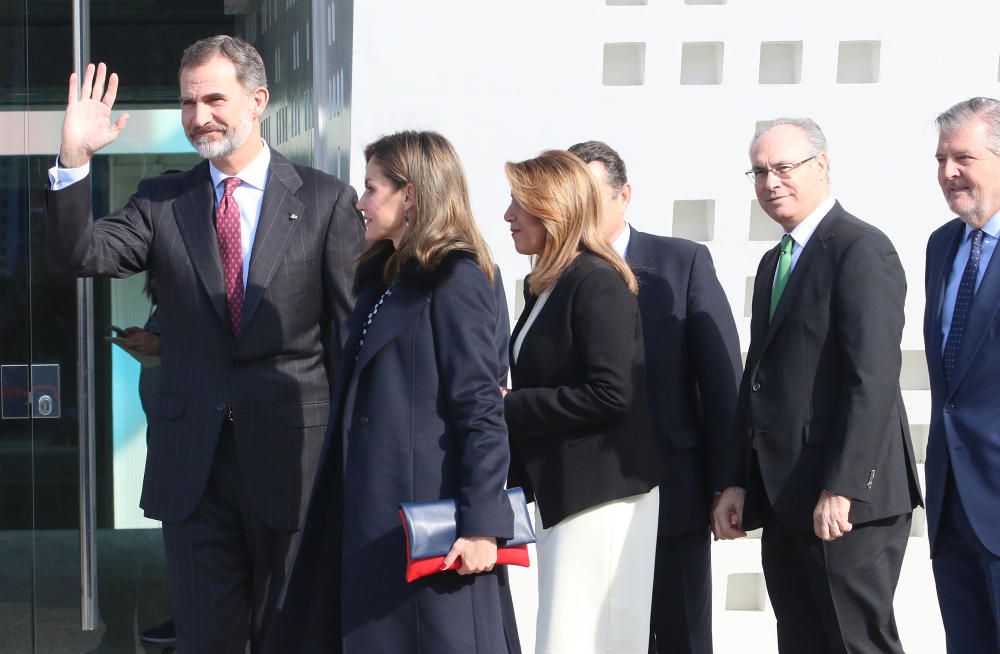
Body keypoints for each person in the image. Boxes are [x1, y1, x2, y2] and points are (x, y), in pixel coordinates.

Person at [43, 35, 365, 653]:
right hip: (194, 469)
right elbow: (79, 253)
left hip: (295, 462)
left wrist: (358, 457)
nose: (199, 117)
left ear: (258, 100)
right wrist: (74, 158)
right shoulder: (163, 201)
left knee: (295, 638)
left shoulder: (326, 201)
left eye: (214, 99)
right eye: (188, 102)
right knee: (207, 642)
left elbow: (348, 338)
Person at [275, 130, 518, 653]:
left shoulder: (456, 277)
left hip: (427, 529)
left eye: (371, 188)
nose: (359, 202)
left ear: (409, 195)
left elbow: (480, 407)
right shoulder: (382, 278)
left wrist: (482, 527)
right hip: (369, 516)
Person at [712, 118, 923, 653]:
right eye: (759, 172)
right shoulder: (773, 262)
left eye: (783, 168)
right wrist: (737, 479)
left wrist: (844, 486)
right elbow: (757, 378)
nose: (770, 182)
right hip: (786, 496)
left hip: (845, 501)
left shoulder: (861, 249)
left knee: (856, 643)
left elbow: (871, 378)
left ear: (821, 166)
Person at [568, 140, 741, 654]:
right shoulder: (556, 274)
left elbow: (720, 379)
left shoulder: (681, 261)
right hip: (587, 494)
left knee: (681, 634)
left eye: (591, 195)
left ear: (624, 195)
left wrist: (728, 481)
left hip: (674, 490)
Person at [502, 149, 662, 654]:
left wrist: (510, 404)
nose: (508, 216)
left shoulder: (596, 281)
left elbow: (612, 393)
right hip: (566, 496)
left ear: (553, 209)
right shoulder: (548, 283)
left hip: (601, 499)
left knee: (585, 641)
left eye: (518, 204)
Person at [924, 97, 1000, 653]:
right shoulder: (941, 246)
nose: (949, 172)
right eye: (941, 159)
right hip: (953, 504)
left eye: (963, 158)